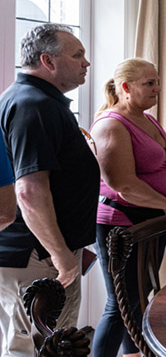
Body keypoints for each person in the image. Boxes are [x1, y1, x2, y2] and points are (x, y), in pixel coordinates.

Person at [0, 23, 99, 356]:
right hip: (36, 255)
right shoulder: (33, 106)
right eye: (78, 55)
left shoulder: (37, 101)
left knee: (54, 345)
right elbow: (28, 192)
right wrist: (60, 256)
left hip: (43, 252)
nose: (86, 62)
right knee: (33, 348)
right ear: (48, 61)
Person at [90, 58, 166, 357]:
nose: (157, 88)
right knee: (120, 304)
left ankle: (133, 354)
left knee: (139, 299)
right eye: (149, 83)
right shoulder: (111, 124)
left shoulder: (147, 118)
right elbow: (124, 184)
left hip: (153, 217)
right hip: (121, 222)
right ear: (126, 87)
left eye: (157, 82)